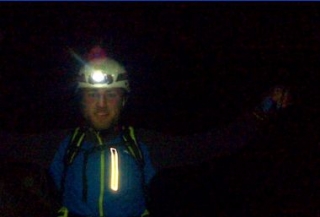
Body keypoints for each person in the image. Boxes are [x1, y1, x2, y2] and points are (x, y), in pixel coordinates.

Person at [49, 45, 292, 217]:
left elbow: (212, 144)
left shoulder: (143, 144)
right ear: (81, 101)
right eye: (92, 95)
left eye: (111, 94)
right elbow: (10, 143)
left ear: (123, 101)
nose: (101, 104)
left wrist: (262, 110)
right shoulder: (61, 144)